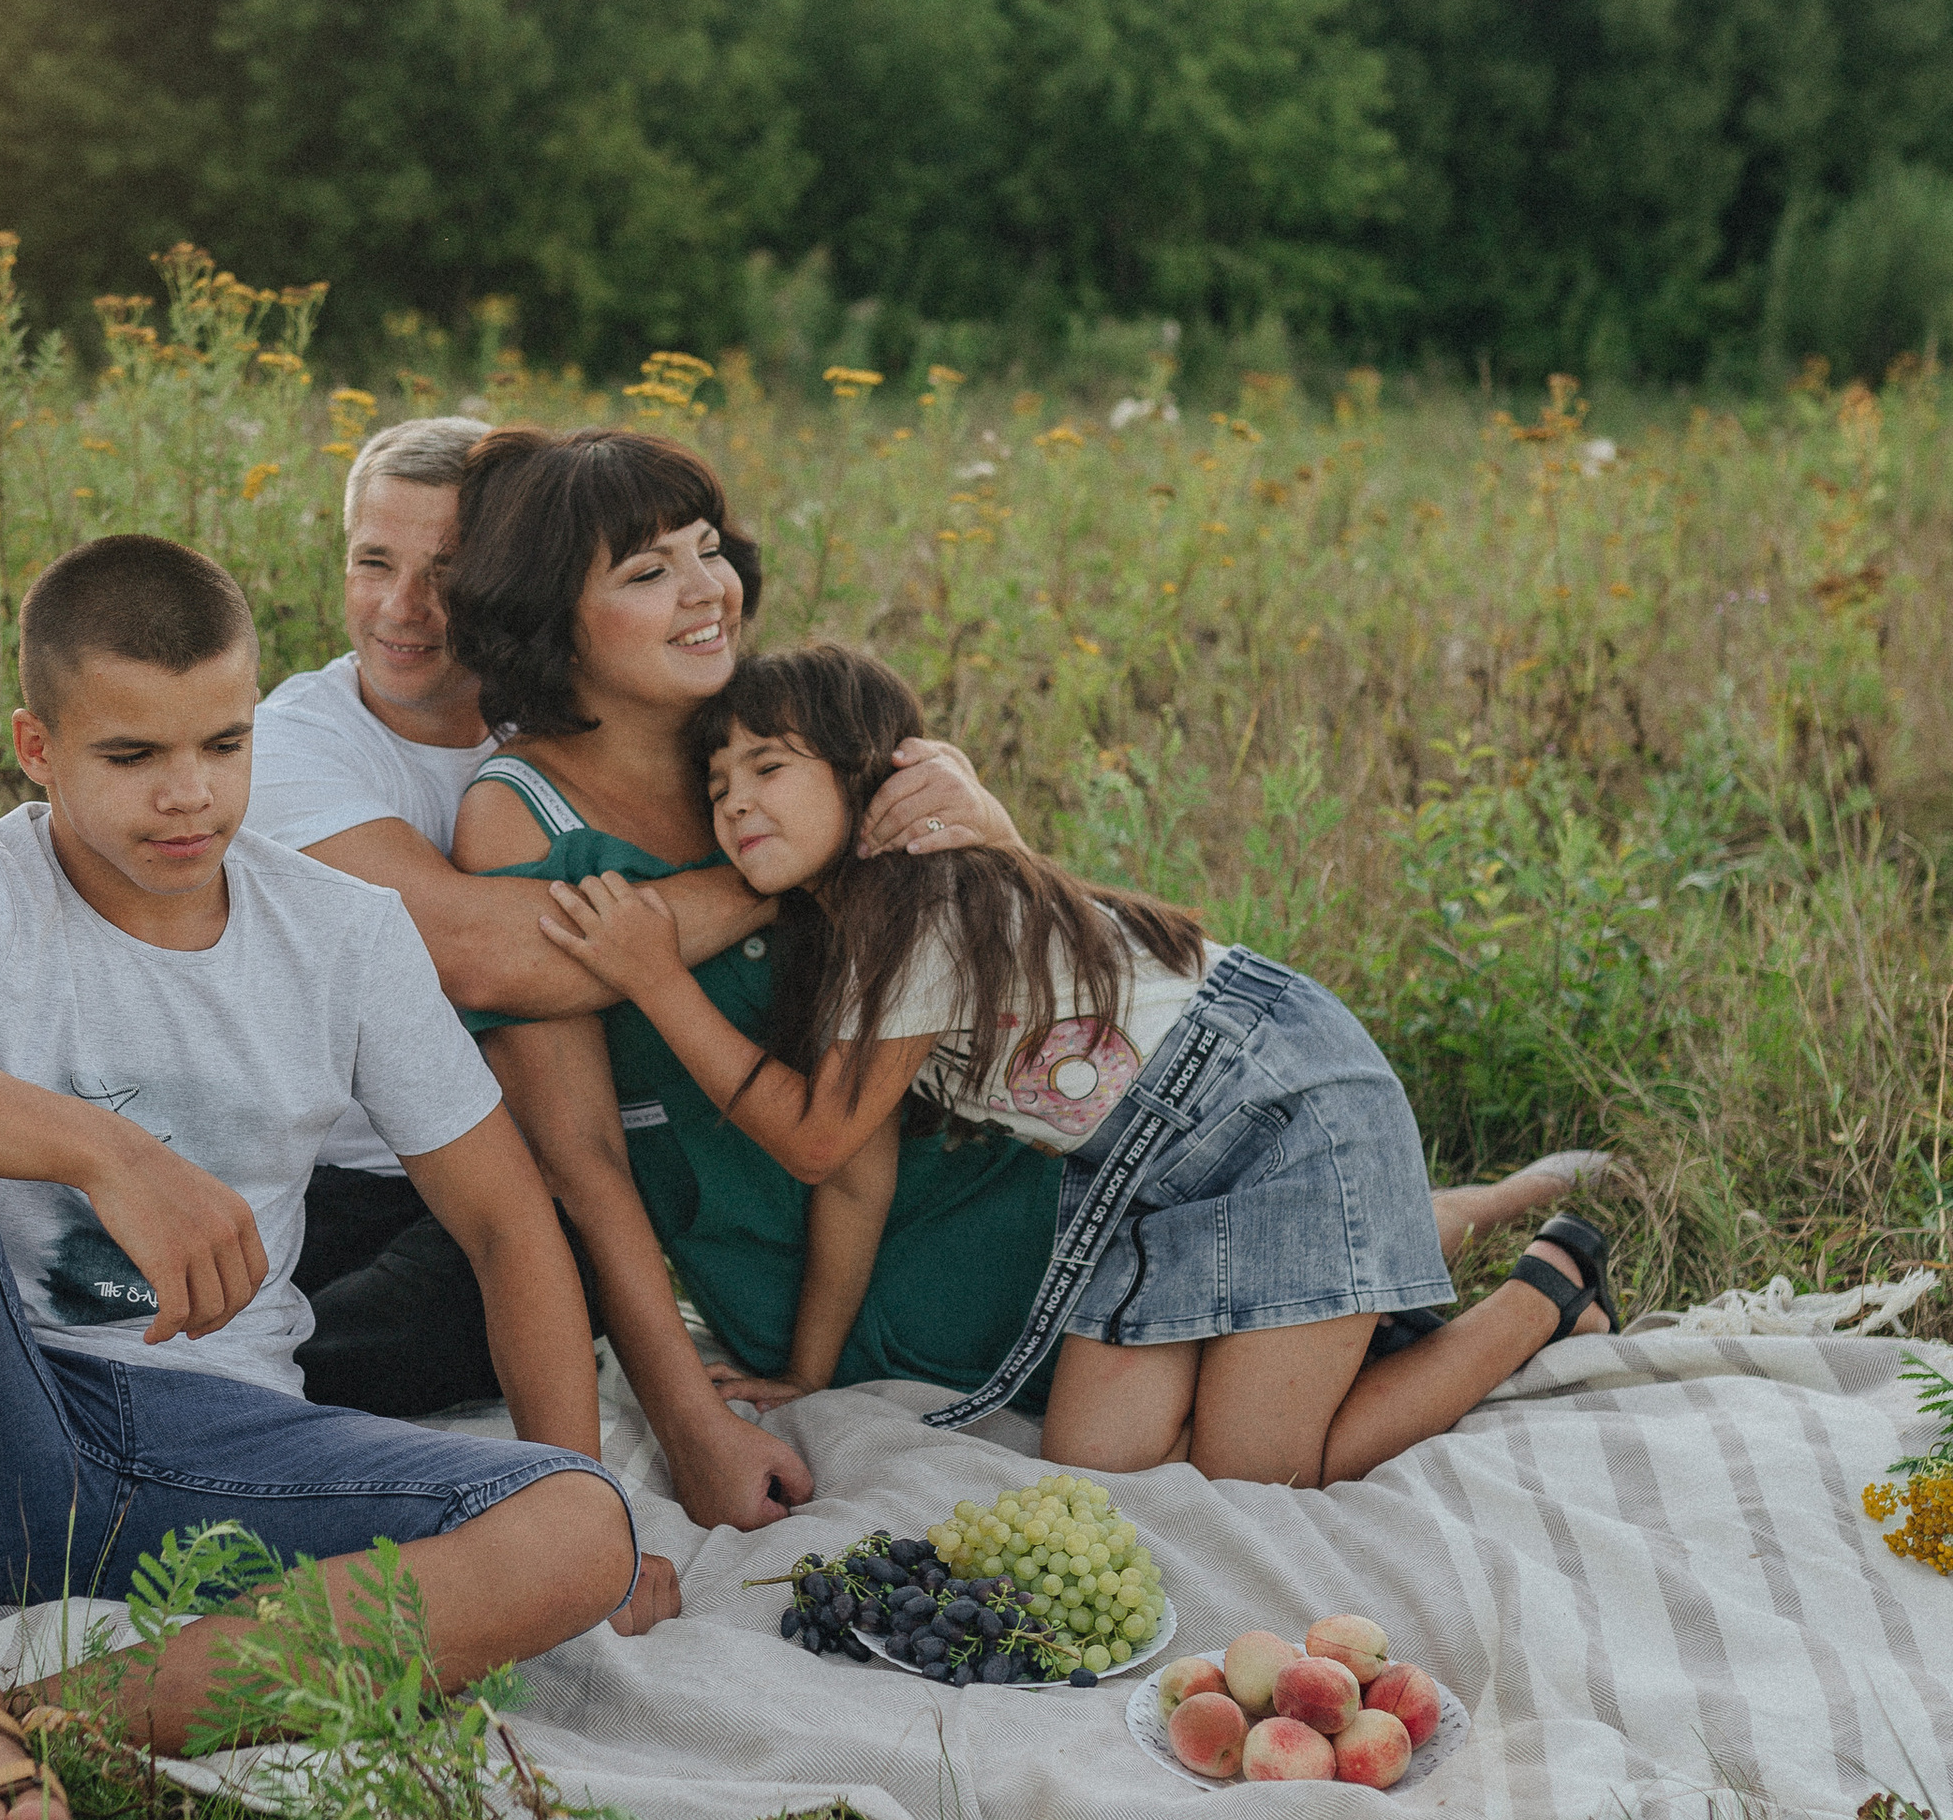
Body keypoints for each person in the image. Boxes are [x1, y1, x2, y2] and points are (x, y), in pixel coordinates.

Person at [0, 531, 663, 1820]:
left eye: (224, 742)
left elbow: (509, 1222)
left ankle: (24, 1733)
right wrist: (107, 1152)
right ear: (37, 745)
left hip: (213, 1448)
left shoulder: (342, 930)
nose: (189, 796)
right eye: (131, 757)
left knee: (579, 1525)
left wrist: (585, 1502)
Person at [536, 641, 1614, 1487]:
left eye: (767, 767)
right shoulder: (850, 935)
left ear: (868, 774)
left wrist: (656, 979)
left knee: (1269, 1466)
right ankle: (1437, 1217)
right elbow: (857, 1170)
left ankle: (1545, 1293)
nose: (734, 803)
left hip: (1285, 1111)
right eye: (718, 782)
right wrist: (808, 1378)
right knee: (1099, 1456)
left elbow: (811, 1141)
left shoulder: (926, 907)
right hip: (1152, 1176)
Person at [243, 411, 1020, 1416]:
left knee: (467, 1301)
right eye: (372, 562)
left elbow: (968, 918)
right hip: (337, 1156)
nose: (407, 606)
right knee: (271, 1340)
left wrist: (964, 810)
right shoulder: (304, 750)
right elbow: (478, 957)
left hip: (506, 1158)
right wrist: (804, 859)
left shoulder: (640, 708)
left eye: (446, 571)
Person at [440, 426, 1079, 1532]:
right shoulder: (518, 817)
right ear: (555, 625)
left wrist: (988, 826)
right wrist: (690, 1427)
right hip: (780, 1293)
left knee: (1259, 1317)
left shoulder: (784, 746)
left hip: (979, 1200)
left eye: (707, 550)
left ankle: (1472, 1209)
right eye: (647, 572)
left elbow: (1005, 948)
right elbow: (585, 1163)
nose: (706, 592)